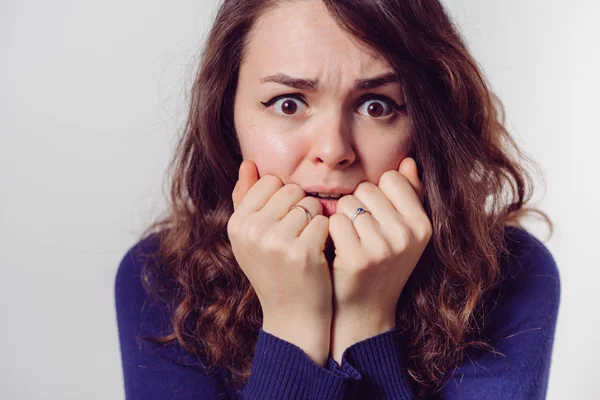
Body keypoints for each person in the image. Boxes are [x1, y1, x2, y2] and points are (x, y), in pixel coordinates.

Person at [114, 0, 561, 399]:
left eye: (376, 106)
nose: (333, 150)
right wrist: (292, 326)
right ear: (227, 116)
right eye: (289, 104)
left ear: (426, 123)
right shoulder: (159, 278)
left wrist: (365, 323)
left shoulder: (509, 271)